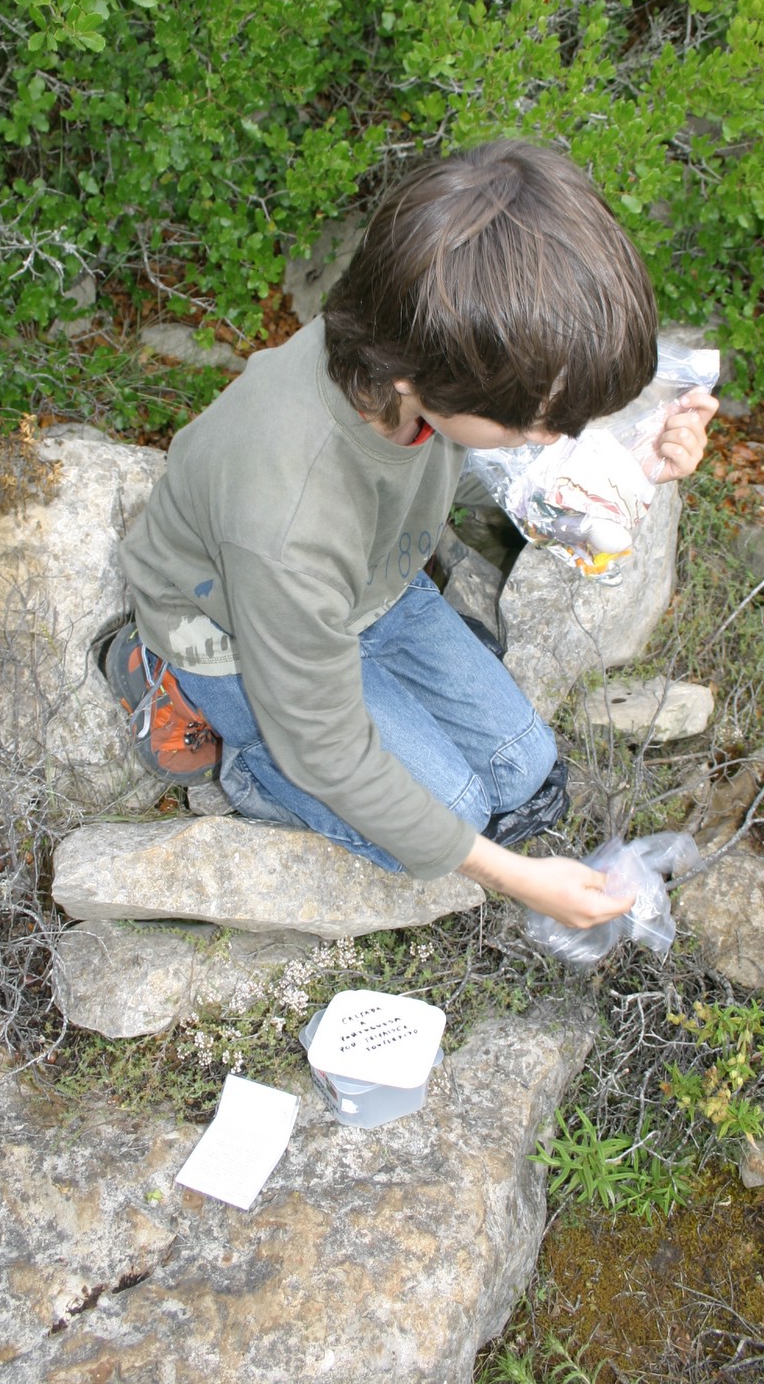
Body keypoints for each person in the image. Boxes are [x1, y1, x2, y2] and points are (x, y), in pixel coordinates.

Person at [107, 139, 717, 930]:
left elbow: (522, 469)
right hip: (228, 628)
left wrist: (633, 465)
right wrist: (518, 880)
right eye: (536, 422)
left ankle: (367, 703)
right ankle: (205, 719)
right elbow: (327, 748)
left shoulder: (414, 346)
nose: (552, 438)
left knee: (522, 769)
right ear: (418, 376)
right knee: (454, 813)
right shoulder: (291, 514)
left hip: (371, 584)